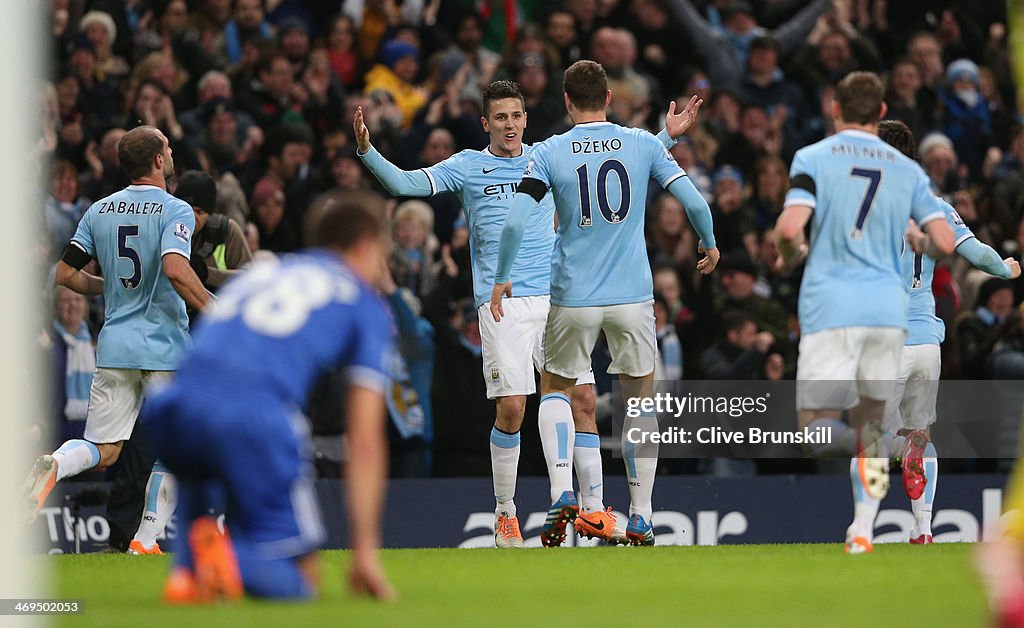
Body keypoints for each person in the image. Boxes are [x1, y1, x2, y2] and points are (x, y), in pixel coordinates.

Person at [356, 79, 697, 548]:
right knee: (513, 407)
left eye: (516, 115)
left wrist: (667, 138)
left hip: (559, 297)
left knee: (583, 402)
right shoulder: (467, 166)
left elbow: (615, 161)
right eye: (501, 117)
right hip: (501, 303)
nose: (510, 124)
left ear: (525, 118)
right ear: (485, 123)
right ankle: (506, 513)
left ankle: (592, 510)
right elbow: (404, 183)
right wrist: (367, 151)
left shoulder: (546, 156)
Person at [490, 60, 719, 547]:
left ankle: (560, 493)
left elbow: (513, 224)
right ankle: (641, 515)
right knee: (639, 400)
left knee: (554, 390)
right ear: (609, 98)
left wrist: (503, 277)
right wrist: (709, 242)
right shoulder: (641, 144)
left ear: (567, 101)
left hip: (573, 297)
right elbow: (695, 202)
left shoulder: (550, 151)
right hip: (633, 297)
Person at [149, 192, 394, 602]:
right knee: (303, 580)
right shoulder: (364, 304)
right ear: (366, 245)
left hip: (172, 406)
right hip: (253, 415)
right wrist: (366, 554)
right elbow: (365, 439)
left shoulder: (270, 270)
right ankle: (226, 559)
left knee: (201, 470)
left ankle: (188, 572)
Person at [773, 72, 956, 555]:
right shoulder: (910, 174)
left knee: (815, 429)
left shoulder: (812, 157)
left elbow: (790, 227)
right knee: (874, 424)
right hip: (886, 313)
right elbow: (943, 242)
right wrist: (919, 240)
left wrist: (787, 251)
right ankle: (862, 528)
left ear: (835, 109)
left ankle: (896, 455)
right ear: (879, 113)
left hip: (831, 306)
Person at [23, 126, 210, 557]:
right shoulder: (176, 209)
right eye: (168, 146)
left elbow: (64, 275)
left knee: (105, 450)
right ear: (159, 161)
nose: (171, 151)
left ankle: (55, 464)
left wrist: (109, 289)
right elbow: (177, 270)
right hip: (164, 347)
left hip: (114, 346)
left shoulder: (99, 211)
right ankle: (145, 540)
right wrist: (215, 309)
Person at [877, 120, 1020, 545]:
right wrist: (1007, 268)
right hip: (927, 342)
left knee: (871, 435)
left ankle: (863, 528)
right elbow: (977, 253)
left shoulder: (866, 208)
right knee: (920, 433)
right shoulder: (935, 206)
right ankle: (923, 529)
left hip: (887, 341)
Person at [173, 170, 253, 292]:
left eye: (199, 212)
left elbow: (250, 279)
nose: (191, 218)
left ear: (210, 213)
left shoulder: (226, 230)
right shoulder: (166, 228)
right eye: (186, 210)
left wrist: (207, 274)